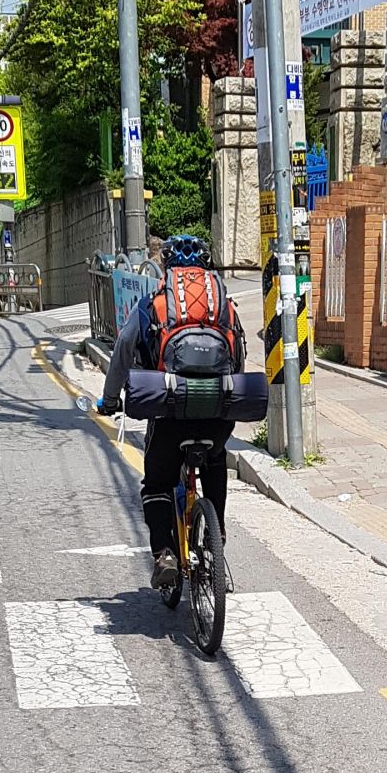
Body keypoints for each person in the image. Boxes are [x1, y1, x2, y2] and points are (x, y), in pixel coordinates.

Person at [97, 233, 245, 594]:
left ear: (166, 269)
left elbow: (122, 350)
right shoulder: (224, 306)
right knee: (214, 458)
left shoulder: (153, 304)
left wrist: (110, 399)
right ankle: (217, 534)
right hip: (217, 413)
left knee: (157, 484)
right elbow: (239, 357)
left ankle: (164, 553)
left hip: (169, 415)